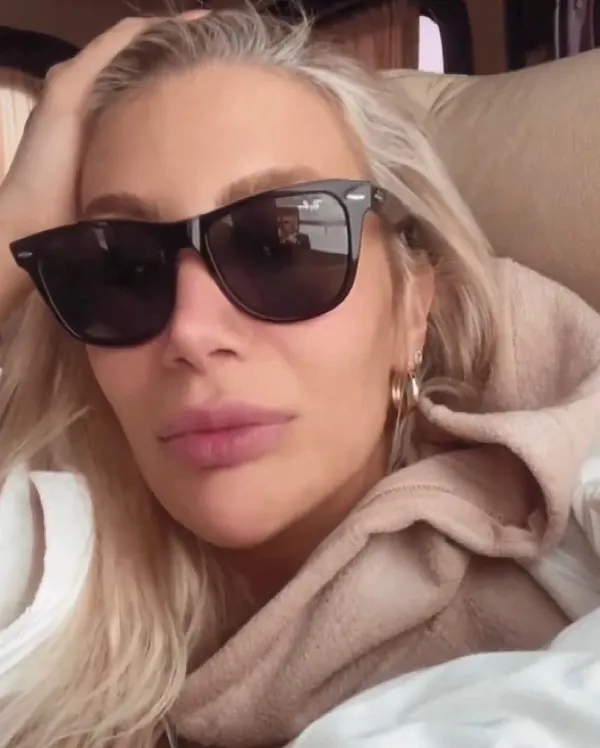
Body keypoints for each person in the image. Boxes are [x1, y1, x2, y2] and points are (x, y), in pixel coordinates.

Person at [0, 8, 600, 748]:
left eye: (280, 247)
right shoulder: (46, 561)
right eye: (120, 269)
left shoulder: (569, 540)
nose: (191, 334)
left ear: (412, 308)